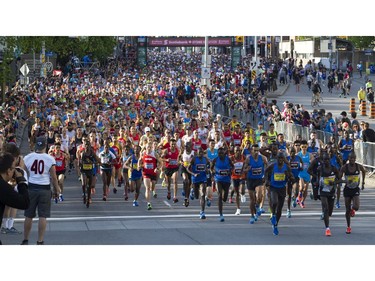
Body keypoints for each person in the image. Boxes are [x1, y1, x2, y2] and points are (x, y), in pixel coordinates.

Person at [21, 136, 60, 245]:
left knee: (28, 215)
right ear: (45, 145)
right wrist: (57, 190)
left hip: (31, 187)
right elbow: (54, 177)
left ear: (35, 145)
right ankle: (40, 240)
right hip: (44, 188)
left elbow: (22, 173)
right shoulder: (50, 159)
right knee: (43, 216)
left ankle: (25, 239)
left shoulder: (28, 157)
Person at [0, 152, 30, 245]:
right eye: (13, 168)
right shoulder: (3, 187)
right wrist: (21, 181)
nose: (15, 171)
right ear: (9, 171)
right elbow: (25, 203)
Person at [264, 152, 295, 235]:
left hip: (282, 188)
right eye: (279, 158)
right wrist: (267, 180)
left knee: (280, 209)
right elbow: (266, 171)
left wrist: (288, 175)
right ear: (277, 159)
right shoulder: (273, 165)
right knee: (274, 202)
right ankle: (273, 214)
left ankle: (275, 225)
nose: (280, 160)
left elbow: (292, 177)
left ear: (283, 159)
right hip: (273, 187)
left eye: (282, 158)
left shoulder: (286, 167)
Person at [338, 152, 366, 234]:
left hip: (355, 188)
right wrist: (345, 181)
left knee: (356, 206)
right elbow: (338, 179)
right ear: (348, 159)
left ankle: (353, 210)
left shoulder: (358, 166)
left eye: (353, 158)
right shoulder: (344, 167)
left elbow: (364, 171)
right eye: (350, 158)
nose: (352, 159)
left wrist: (363, 183)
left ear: (355, 158)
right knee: (347, 210)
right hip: (347, 189)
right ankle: (348, 227)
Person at [242, 144, 268, 223]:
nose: (256, 152)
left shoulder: (263, 158)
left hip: (259, 179)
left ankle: (257, 206)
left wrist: (265, 176)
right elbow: (243, 169)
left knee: (259, 196)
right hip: (250, 180)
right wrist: (247, 169)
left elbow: (267, 167)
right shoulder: (248, 159)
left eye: (257, 150)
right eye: (254, 150)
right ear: (251, 151)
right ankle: (252, 216)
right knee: (252, 200)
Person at [317, 153, 340, 236]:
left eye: (327, 159)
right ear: (323, 161)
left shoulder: (334, 169)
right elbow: (316, 178)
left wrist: (333, 182)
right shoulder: (320, 168)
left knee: (329, 212)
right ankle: (327, 228)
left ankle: (325, 215)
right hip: (323, 191)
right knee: (325, 208)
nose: (326, 161)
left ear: (329, 160)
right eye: (324, 160)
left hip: (331, 191)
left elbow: (339, 179)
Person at [211, 147, 233, 222]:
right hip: (218, 179)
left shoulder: (228, 159)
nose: (220, 155)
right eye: (219, 153)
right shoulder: (215, 160)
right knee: (220, 195)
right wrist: (213, 173)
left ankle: (224, 197)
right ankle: (221, 214)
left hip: (226, 180)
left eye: (222, 153)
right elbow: (211, 168)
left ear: (224, 153)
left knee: (224, 198)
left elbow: (232, 166)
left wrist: (230, 171)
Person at [187, 147, 210, 219]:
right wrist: (193, 174)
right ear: (197, 153)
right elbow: (187, 168)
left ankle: (202, 212)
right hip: (195, 180)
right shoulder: (194, 159)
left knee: (202, 195)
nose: (201, 154)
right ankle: (192, 190)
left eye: (202, 153)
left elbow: (209, 166)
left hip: (203, 179)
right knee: (197, 196)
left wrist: (207, 170)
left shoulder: (205, 159)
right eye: (199, 152)